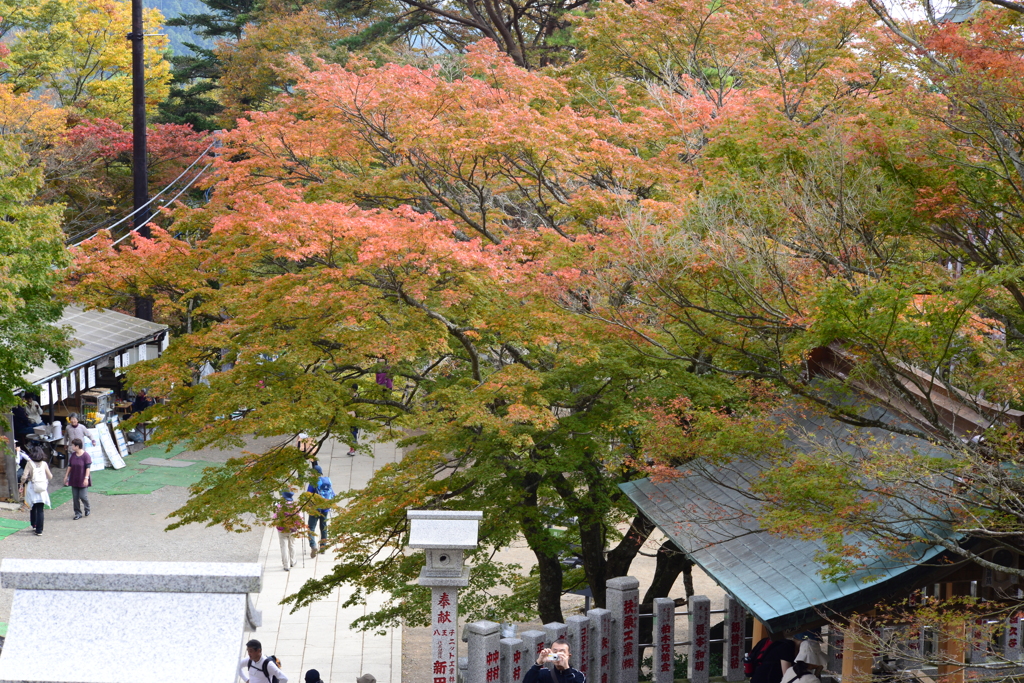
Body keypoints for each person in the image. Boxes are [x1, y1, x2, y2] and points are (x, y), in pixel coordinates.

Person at [19, 446, 52, 536]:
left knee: (33, 506)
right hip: (42, 487)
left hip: (32, 486)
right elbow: (50, 476)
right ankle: (39, 530)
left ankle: (34, 524)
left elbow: (24, 476)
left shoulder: (29, 463)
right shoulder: (44, 463)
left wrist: (21, 484)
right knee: (40, 509)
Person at [274, 488, 305, 571]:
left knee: (283, 546)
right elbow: (300, 518)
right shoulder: (294, 506)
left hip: (282, 529)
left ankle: (286, 565)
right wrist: (298, 526)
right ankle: (292, 561)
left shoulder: (279, 506)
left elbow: (274, 517)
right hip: (292, 528)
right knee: (292, 545)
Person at [306, 464, 332, 558]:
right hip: (325, 508)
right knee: (324, 527)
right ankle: (323, 546)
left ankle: (313, 545)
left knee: (311, 528)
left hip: (315, 509)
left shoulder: (313, 482)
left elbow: (308, 495)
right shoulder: (327, 480)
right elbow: (332, 493)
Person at [64, 438, 93, 520]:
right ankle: (77, 513)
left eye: (73, 445)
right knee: (75, 497)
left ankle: (87, 508)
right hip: (74, 478)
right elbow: (70, 465)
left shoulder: (85, 456)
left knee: (83, 496)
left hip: (82, 478)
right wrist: (66, 475)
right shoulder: (73, 455)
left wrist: (86, 478)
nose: (72, 446)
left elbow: (88, 468)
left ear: (77, 446)